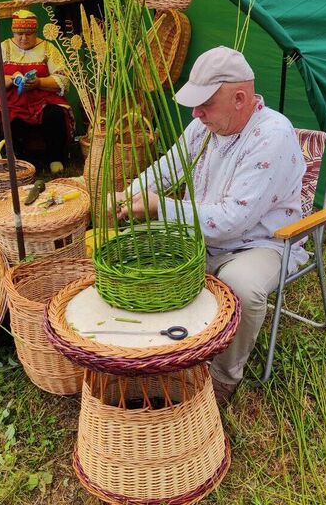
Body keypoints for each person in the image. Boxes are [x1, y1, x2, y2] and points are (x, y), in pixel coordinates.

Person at [115, 46, 307, 404]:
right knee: (138, 251)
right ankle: (165, 350)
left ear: (240, 98)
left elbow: (233, 220)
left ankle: (223, 376)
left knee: (242, 287)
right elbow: (167, 168)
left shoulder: (272, 135)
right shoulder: (203, 126)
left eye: (205, 104)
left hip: (260, 242)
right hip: (201, 232)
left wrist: (160, 208)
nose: (196, 112)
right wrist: (127, 195)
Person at [0, 10, 73, 173]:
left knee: (54, 114)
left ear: (35, 32)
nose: (23, 38)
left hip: (43, 100)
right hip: (13, 101)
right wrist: (12, 79)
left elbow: (63, 79)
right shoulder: (3, 47)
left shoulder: (48, 48)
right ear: (13, 31)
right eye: (19, 34)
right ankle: (22, 161)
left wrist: (38, 82)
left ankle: (55, 158)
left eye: (29, 34)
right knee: (12, 119)